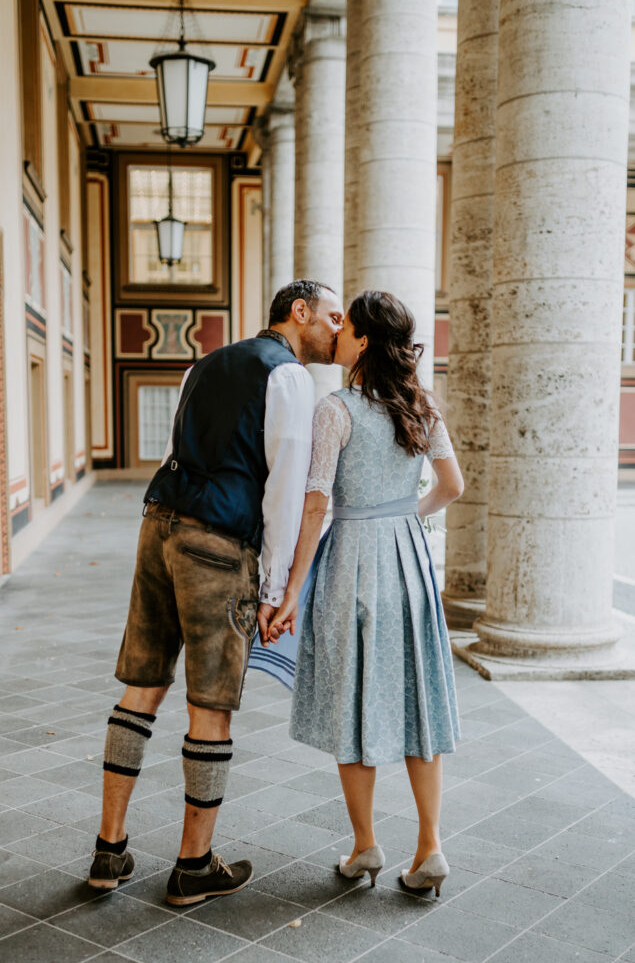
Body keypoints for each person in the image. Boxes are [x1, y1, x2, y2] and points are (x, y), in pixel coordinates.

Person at [88, 279, 343, 906]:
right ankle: (194, 865)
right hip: (218, 545)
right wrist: (278, 590)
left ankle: (108, 852)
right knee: (212, 705)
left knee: (141, 687)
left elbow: (180, 450)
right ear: (299, 311)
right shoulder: (288, 378)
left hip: (158, 528)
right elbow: (283, 490)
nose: (339, 327)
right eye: (332, 315)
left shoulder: (203, 365)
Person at [267, 290, 463, 898]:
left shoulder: (337, 409)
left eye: (347, 325)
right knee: (416, 702)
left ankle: (364, 846)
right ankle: (429, 846)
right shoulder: (421, 405)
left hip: (352, 560)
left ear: (366, 341)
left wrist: (291, 589)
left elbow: (317, 501)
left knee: (357, 703)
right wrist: (408, 515)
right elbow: (452, 486)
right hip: (408, 560)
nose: (339, 332)